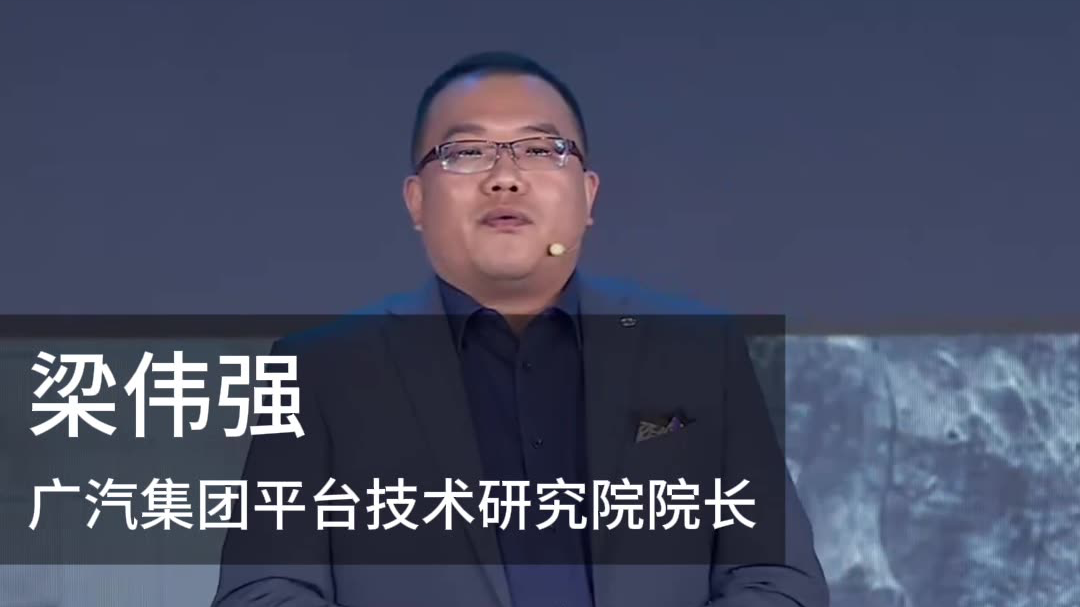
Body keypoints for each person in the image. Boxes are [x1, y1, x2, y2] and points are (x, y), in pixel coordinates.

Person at [213, 51, 829, 607]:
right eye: (466, 152)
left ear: (588, 196)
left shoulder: (698, 351)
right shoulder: (319, 371)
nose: (504, 177)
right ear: (417, 202)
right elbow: (262, 590)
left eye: (540, 150)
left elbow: (778, 579)